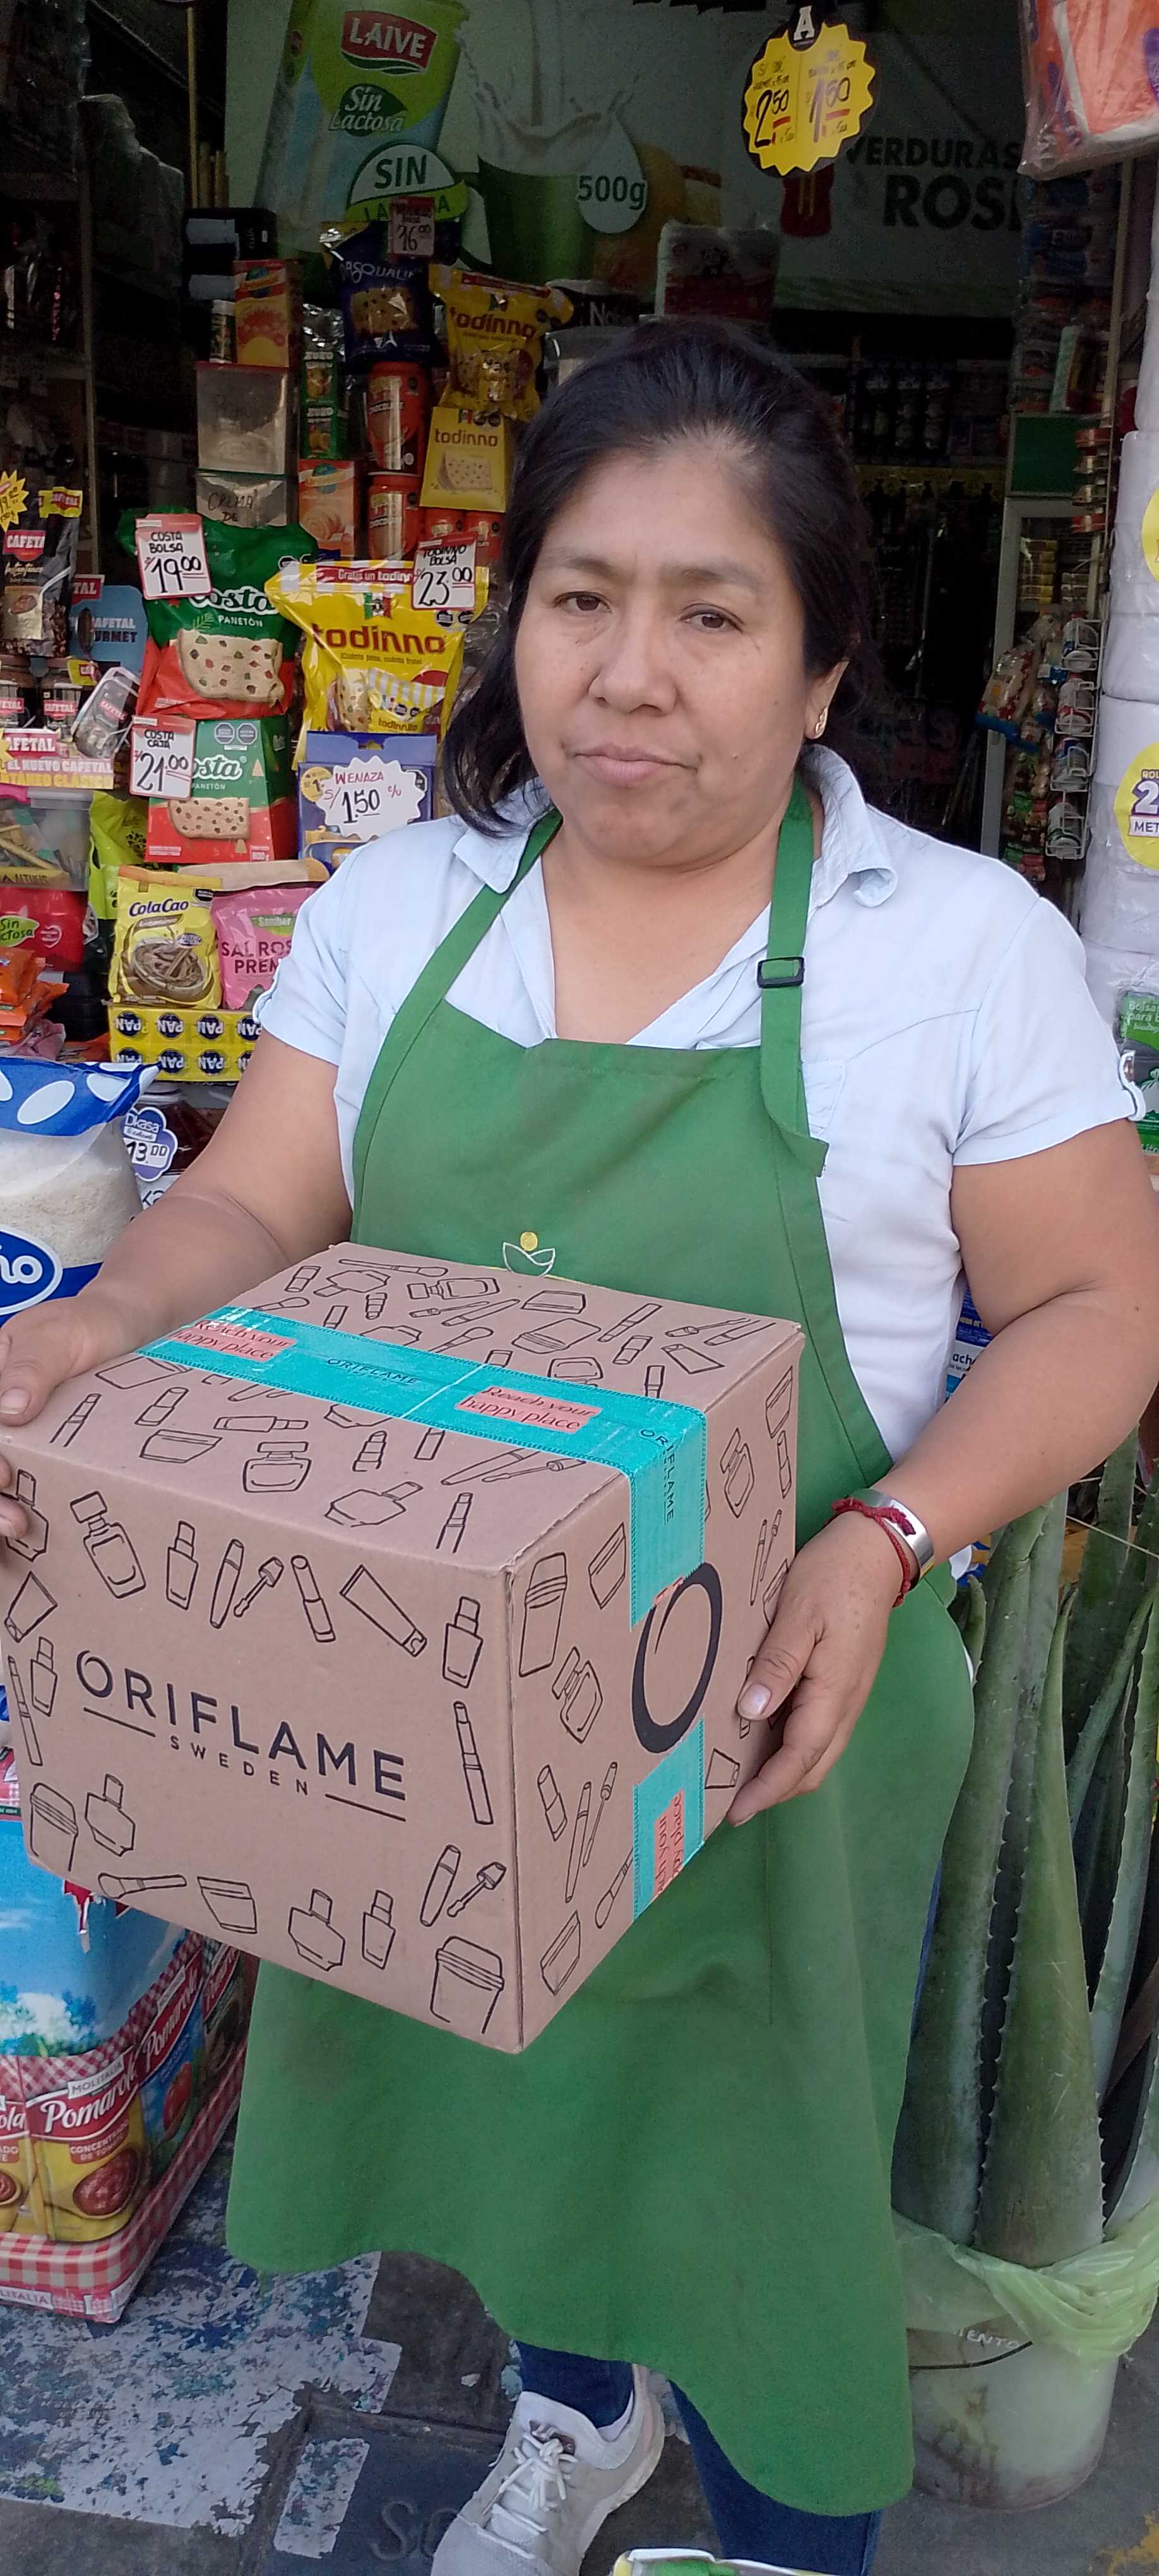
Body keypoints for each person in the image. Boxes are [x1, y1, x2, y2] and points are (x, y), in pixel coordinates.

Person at [3, 324, 1157, 2576]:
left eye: (711, 614)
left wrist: (884, 1534)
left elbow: (1103, 1312)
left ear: (820, 669)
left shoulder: (954, 952)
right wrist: (103, 1328)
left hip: (780, 1716)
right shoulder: (404, 909)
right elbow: (261, 1200)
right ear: (514, 619)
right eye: (581, 599)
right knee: (506, 2124)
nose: (632, 675)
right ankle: (575, 2412)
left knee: (760, 2222)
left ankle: (772, 2539)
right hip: (440, 1709)